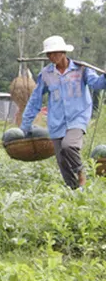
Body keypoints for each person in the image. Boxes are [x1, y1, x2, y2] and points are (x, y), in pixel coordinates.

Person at [21, 35, 106, 189]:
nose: (51, 57)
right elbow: (35, 99)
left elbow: (97, 84)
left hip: (77, 117)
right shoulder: (46, 74)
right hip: (56, 121)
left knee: (69, 146)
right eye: (49, 54)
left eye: (54, 53)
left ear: (63, 52)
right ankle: (74, 191)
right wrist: (26, 124)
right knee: (62, 159)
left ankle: (81, 172)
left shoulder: (81, 69)